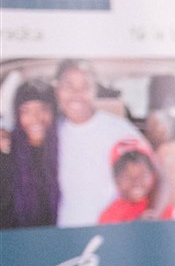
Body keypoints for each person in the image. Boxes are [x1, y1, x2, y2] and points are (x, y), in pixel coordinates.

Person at [53, 60, 144, 226]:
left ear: (95, 90)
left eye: (85, 86)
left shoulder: (119, 130)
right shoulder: (51, 132)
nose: (76, 93)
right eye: (68, 86)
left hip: (114, 233)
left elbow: (158, 176)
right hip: (65, 237)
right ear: (57, 90)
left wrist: (153, 216)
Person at [0, 78, 61, 230]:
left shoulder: (65, 151)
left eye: (42, 109)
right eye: (25, 111)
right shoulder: (6, 156)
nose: (35, 118)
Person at [97, 143, 172, 223]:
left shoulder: (162, 206)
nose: (136, 182)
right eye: (127, 176)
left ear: (153, 175)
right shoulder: (109, 215)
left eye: (142, 175)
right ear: (116, 180)